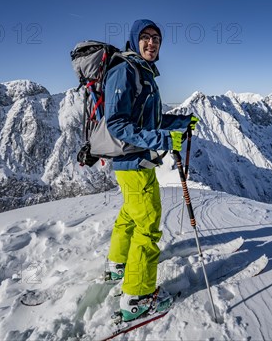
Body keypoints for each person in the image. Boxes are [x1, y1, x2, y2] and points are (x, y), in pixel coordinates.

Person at [103, 19, 198, 322]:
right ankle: (138, 296)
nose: (151, 43)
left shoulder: (143, 73)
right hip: (133, 163)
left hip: (133, 163)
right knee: (149, 226)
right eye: (145, 38)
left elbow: (149, 121)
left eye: (156, 38)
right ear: (134, 41)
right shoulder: (125, 71)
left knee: (131, 215)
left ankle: (118, 265)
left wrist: (181, 123)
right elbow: (117, 123)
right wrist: (161, 139)